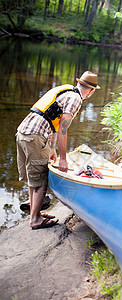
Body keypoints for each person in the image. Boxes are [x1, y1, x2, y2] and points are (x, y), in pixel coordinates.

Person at [16, 71, 100, 230]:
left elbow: (51, 118)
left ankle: (36, 213)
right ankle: (35, 219)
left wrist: (52, 148)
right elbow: (63, 128)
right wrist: (62, 158)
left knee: (33, 177)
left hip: (22, 132)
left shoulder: (65, 90)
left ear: (79, 83)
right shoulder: (76, 99)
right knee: (41, 178)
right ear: (91, 91)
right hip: (35, 136)